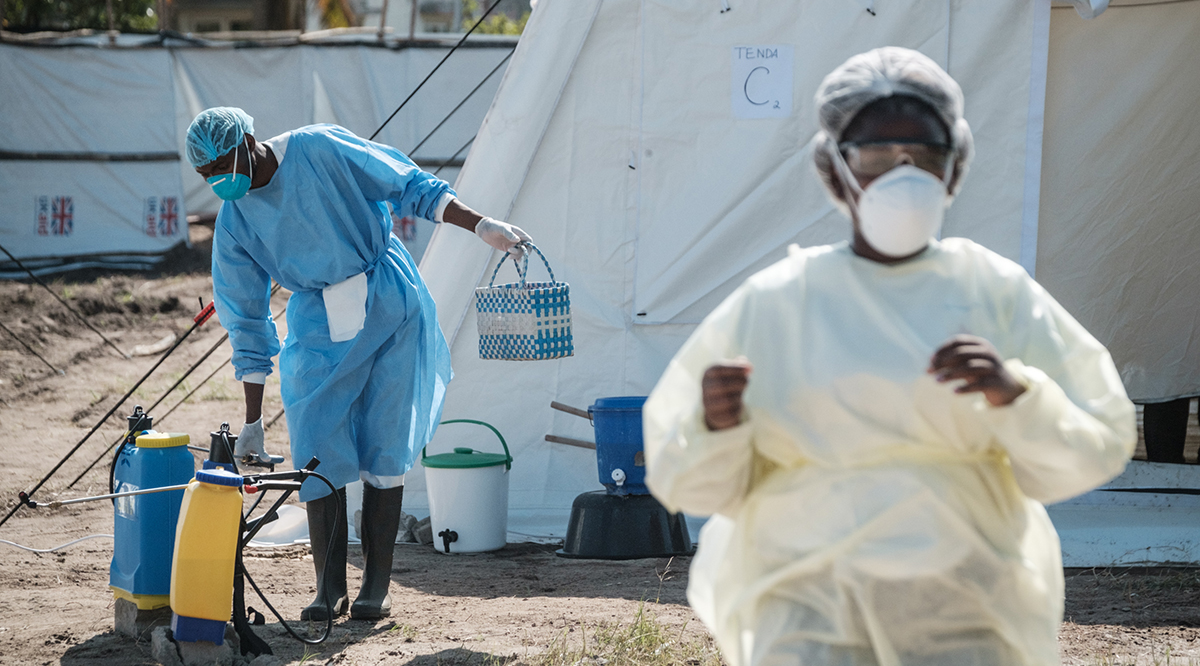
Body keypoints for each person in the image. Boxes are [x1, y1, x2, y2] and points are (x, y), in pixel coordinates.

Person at [643, 47, 1135, 666]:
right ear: (833, 170)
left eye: (924, 157)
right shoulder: (777, 303)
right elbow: (689, 481)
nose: (903, 175)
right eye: (876, 158)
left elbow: (1097, 445)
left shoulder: (993, 292)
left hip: (968, 607)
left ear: (954, 168)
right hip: (806, 609)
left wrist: (1017, 396)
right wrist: (715, 426)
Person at [185, 108, 531, 621]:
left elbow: (405, 183)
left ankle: (375, 586)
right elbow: (247, 321)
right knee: (317, 455)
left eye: (222, 163)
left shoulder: (318, 149)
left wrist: (479, 224)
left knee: (383, 448)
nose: (218, 179)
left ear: (249, 141)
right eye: (206, 174)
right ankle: (328, 589)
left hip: (386, 304)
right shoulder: (236, 224)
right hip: (316, 326)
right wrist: (253, 422)